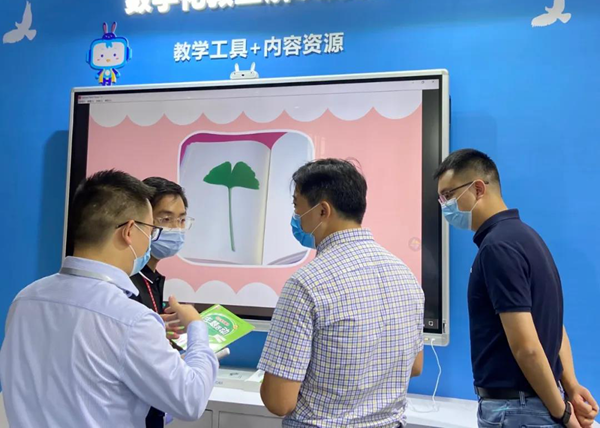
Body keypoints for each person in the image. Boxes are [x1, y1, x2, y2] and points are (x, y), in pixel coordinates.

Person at [0, 170, 218, 428]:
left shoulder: (26, 299)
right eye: (151, 229)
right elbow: (190, 400)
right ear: (129, 231)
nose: (152, 239)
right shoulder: (130, 319)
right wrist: (197, 328)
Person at [434, 149, 598, 428]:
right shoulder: (528, 238)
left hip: (517, 411)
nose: (445, 205)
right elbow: (553, 326)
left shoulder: (497, 248)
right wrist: (570, 386)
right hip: (533, 407)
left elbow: (527, 347)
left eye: (448, 195)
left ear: (478, 189)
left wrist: (563, 413)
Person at [258, 158, 425, 427]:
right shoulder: (405, 274)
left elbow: (279, 401)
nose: (295, 215)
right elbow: (415, 367)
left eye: (296, 206)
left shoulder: (305, 284)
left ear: (322, 211)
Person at [129, 177, 194, 428]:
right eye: (165, 219)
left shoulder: (152, 277)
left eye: (181, 220)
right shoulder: (128, 278)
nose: (176, 229)